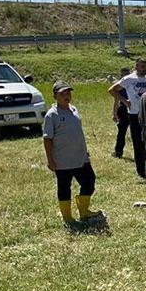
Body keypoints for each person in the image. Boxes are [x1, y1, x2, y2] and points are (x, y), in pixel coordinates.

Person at [43, 81, 103, 224]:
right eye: (62, 93)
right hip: (63, 160)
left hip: (80, 157)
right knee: (64, 187)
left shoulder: (74, 109)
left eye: (68, 92)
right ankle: (67, 217)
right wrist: (50, 160)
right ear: (54, 96)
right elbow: (47, 139)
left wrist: (84, 150)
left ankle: (84, 211)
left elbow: (78, 133)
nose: (66, 96)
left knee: (89, 181)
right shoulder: (51, 115)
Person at [108, 58, 146, 178]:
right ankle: (141, 170)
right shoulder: (129, 79)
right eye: (142, 67)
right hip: (134, 114)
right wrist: (125, 101)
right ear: (136, 67)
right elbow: (112, 90)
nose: (145, 69)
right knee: (138, 142)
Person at [112, 67, 131, 158]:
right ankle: (118, 152)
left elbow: (116, 100)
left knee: (122, 132)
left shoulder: (124, 84)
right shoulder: (120, 85)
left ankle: (118, 152)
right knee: (122, 132)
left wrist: (114, 113)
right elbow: (116, 100)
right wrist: (114, 113)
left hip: (128, 108)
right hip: (125, 109)